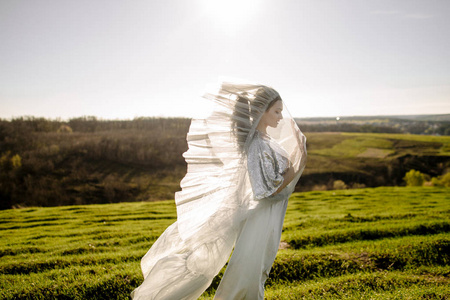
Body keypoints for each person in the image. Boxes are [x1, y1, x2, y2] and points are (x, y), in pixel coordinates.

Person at [131, 80, 307, 300]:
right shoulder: (257, 145)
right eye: (277, 111)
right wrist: (297, 165)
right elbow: (266, 190)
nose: (281, 117)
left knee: (256, 270)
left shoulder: (265, 140)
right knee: (248, 274)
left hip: (268, 215)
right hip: (260, 217)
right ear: (262, 111)